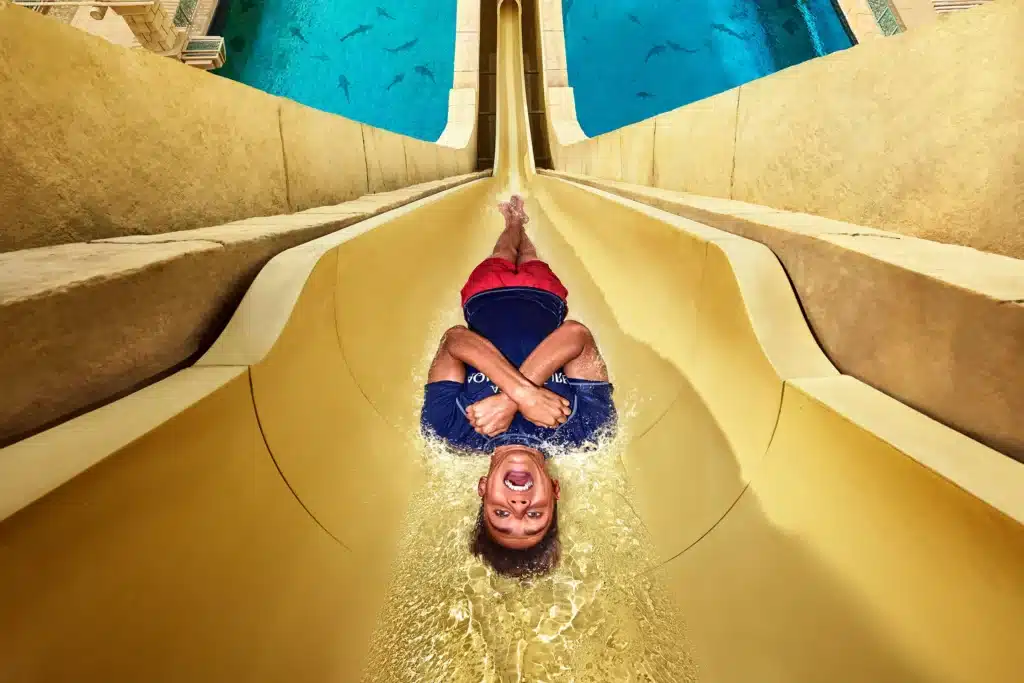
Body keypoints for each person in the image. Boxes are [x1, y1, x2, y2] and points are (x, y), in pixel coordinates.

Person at [421, 194, 616, 577]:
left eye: (501, 513)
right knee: (529, 256)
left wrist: (513, 399)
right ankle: (522, 227)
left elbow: (455, 340)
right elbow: (575, 335)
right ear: (555, 492)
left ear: (482, 489)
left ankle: (510, 224)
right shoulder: (586, 431)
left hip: (483, 296)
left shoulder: (450, 430)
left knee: (502, 249)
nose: (518, 503)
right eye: (535, 514)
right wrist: (522, 396)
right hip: (545, 296)